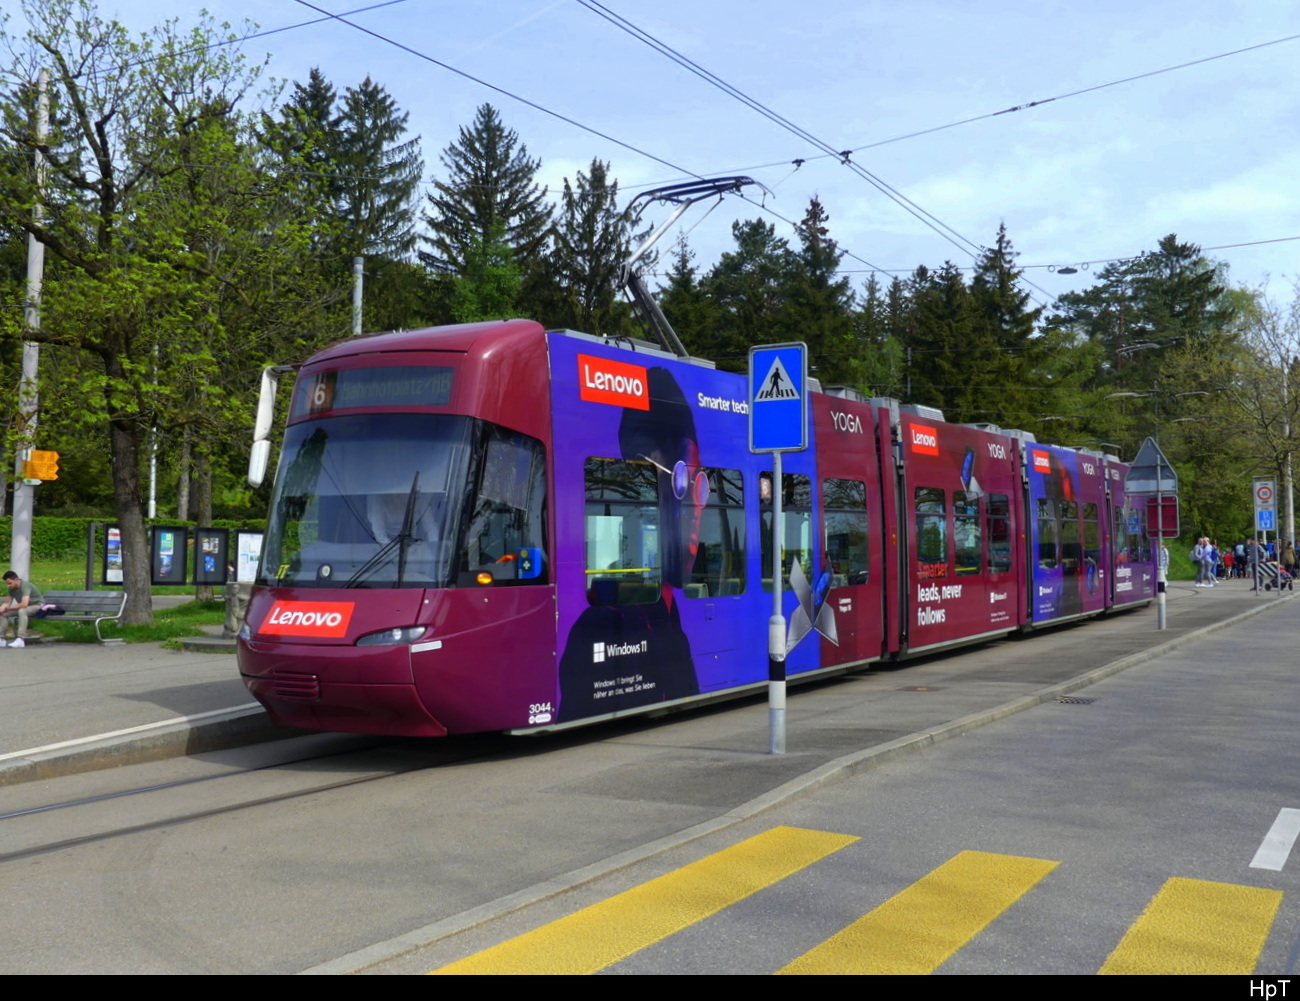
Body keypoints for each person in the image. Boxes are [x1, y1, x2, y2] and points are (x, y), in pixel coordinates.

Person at [0, 570, 43, 648]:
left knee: (22, 611)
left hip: (37, 605)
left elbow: (24, 604)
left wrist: (8, 608)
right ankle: (1, 639)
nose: (8, 586)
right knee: (3, 614)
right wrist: (2, 609)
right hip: (26, 607)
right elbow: (7, 602)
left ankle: (20, 639)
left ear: (16, 579)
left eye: (10, 583)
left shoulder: (25, 586)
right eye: (7, 583)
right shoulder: (11, 588)